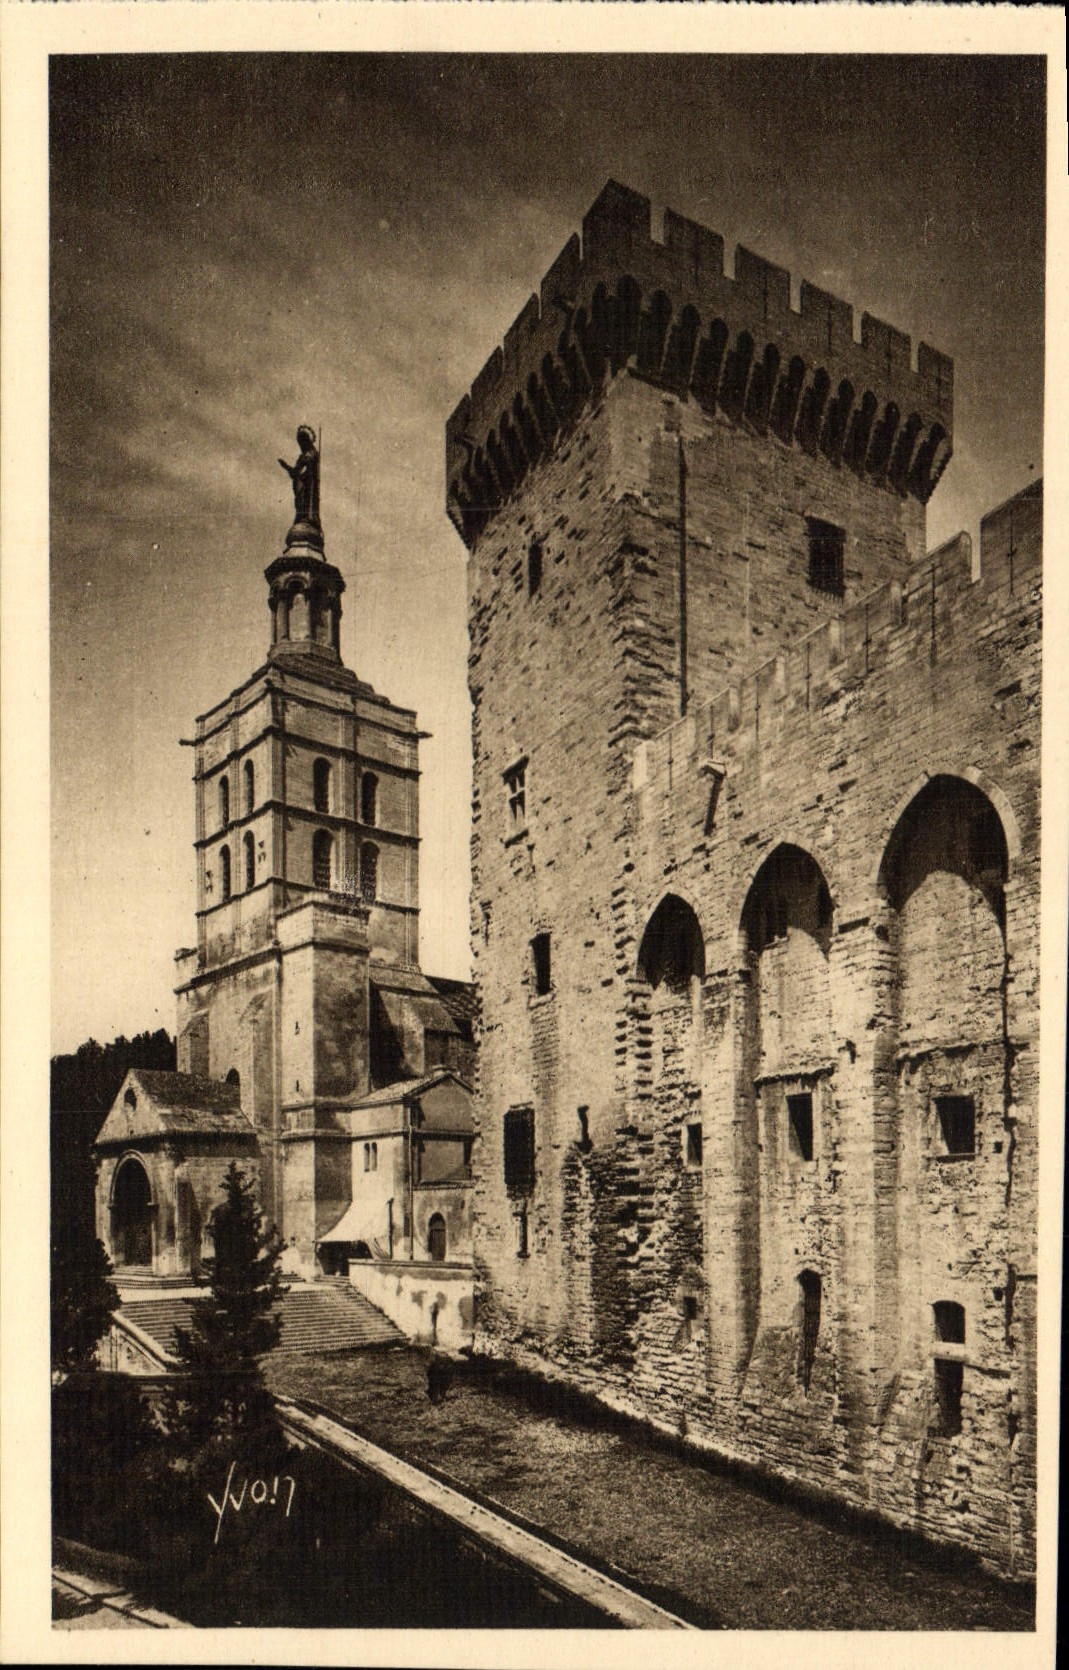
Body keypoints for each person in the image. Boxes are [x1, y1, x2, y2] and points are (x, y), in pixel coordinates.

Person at [279, 425, 320, 524]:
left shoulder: (312, 454)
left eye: (302, 443)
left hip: (309, 484)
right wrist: (285, 466)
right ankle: (301, 517)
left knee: (307, 501)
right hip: (300, 485)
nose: (301, 446)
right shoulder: (302, 457)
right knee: (299, 503)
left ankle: (308, 517)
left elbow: (310, 467)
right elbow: (295, 473)